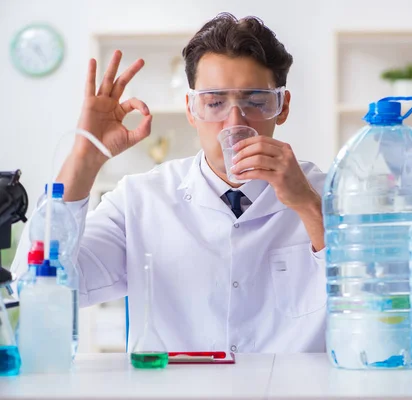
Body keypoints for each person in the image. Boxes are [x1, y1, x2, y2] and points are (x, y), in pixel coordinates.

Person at [12, 13, 327, 353]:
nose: (235, 122)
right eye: (215, 102)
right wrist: (83, 160)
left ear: (282, 106)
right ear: (191, 110)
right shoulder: (140, 200)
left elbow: (378, 299)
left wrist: (309, 207)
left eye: (255, 102)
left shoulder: (332, 195)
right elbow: (33, 288)